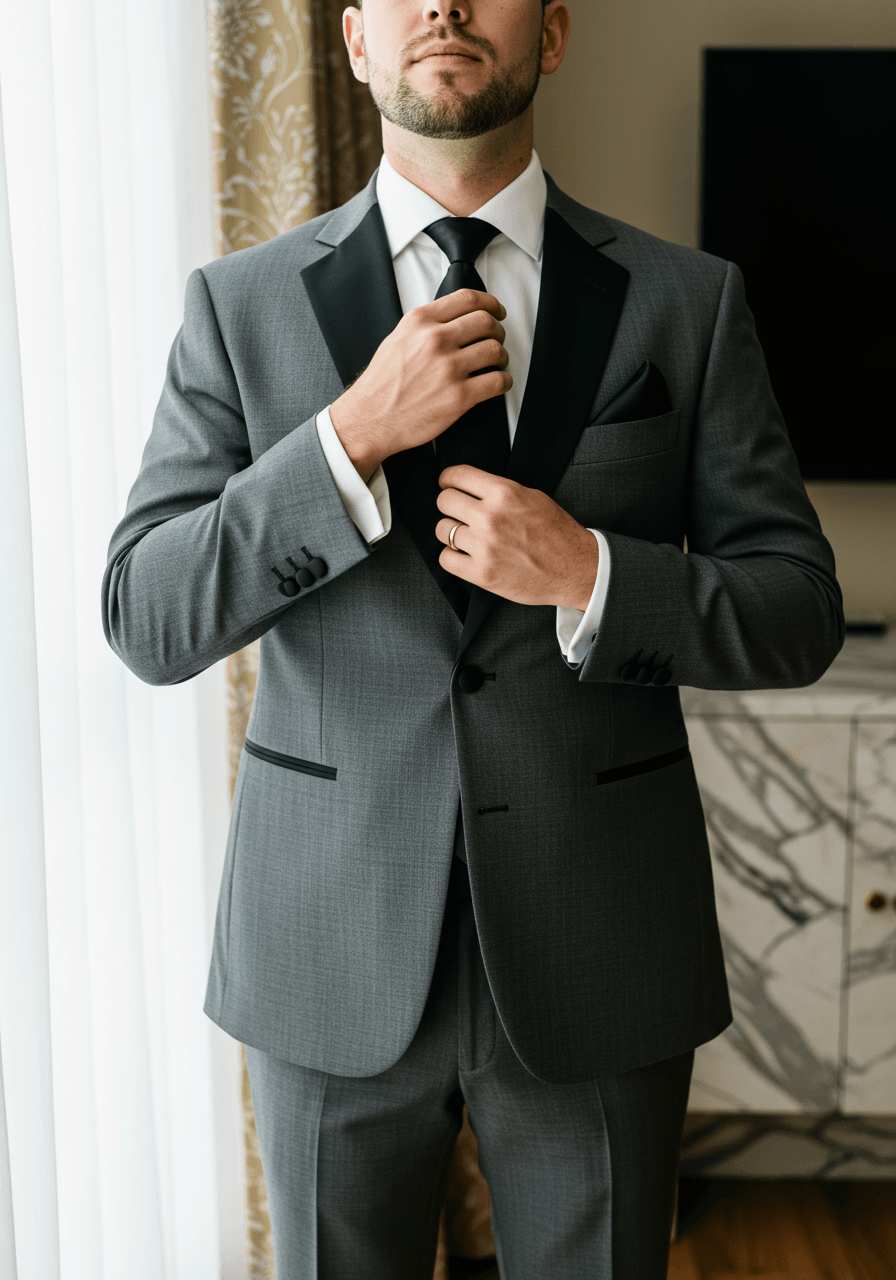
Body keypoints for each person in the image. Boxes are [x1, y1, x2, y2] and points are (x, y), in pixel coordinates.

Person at [102, 2, 844, 1276]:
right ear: (353, 44)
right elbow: (147, 614)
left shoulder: (688, 301)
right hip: (325, 940)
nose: (441, 4)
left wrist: (590, 572)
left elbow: (797, 609)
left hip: (599, 941)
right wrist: (345, 441)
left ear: (551, 34)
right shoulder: (238, 307)